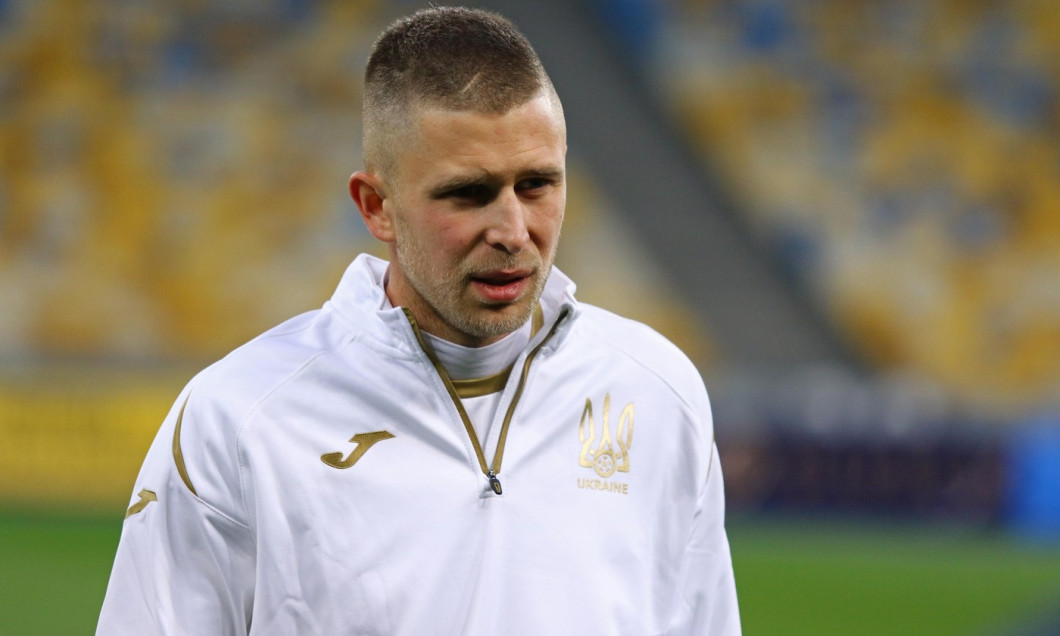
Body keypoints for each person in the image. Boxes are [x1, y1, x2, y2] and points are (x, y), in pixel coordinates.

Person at [97, 6, 741, 635]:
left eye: (538, 185)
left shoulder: (657, 392)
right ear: (377, 206)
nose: (514, 232)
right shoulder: (238, 419)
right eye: (469, 193)